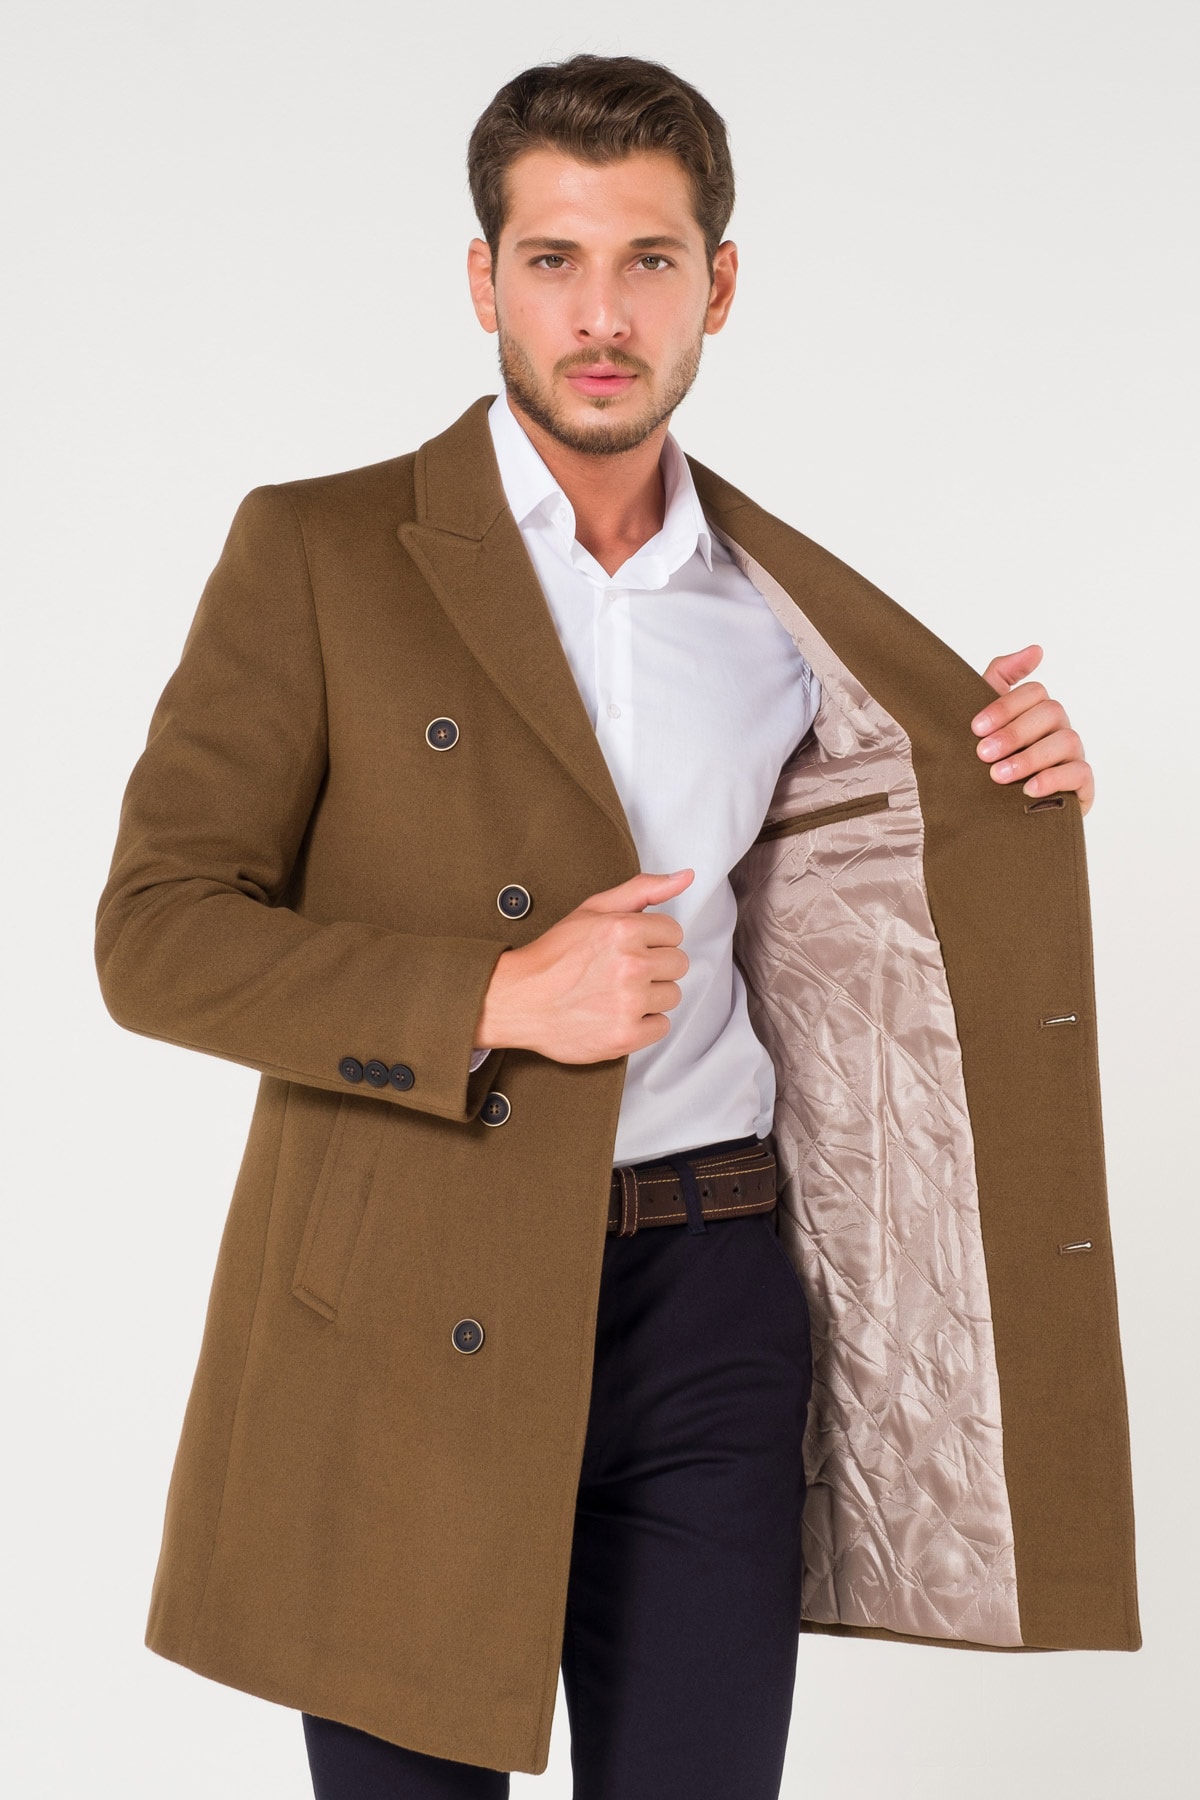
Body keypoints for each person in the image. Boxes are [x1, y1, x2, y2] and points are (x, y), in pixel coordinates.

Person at [94, 52, 1138, 1800]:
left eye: (648, 260)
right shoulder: (324, 553)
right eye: (554, 259)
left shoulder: (776, 609)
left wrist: (1015, 791)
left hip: (710, 1295)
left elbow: (865, 884)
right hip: (410, 1295)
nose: (600, 313)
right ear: (483, 279)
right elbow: (156, 933)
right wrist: (496, 996)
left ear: (717, 285)